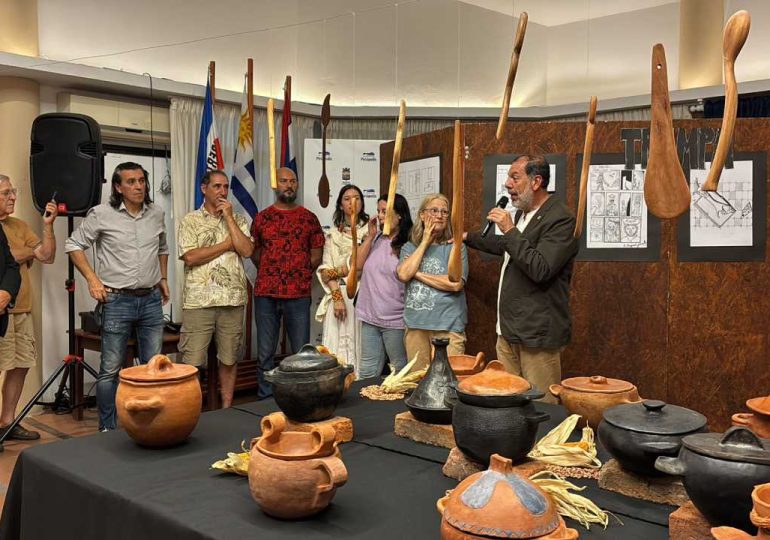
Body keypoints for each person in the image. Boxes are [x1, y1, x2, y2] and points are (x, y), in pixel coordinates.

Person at [464, 155, 578, 403]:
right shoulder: (523, 214)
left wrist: (510, 230)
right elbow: (507, 246)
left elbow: (541, 267)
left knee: (541, 408)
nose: (507, 184)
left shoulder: (560, 218)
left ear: (536, 182)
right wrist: (467, 237)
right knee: (508, 403)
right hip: (508, 332)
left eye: (515, 177)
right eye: (508, 177)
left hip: (536, 337)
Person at [65, 162, 170, 431]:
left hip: (150, 301)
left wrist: (163, 278)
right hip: (116, 301)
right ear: (118, 187)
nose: (138, 186)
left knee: (153, 367)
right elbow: (73, 244)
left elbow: (162, 247)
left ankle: (149, 425)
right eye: (131, 182)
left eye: (141, 181)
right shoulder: (102, 214)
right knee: (110, 370)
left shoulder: (156, 213)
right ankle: (107, 429)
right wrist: (92, 279)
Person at [178, 170, 254, 408]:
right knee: (192, 361)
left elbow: (247, 250)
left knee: (229, 359)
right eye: (217, 186)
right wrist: (225, 244)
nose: (222, 191)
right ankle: (189, 409)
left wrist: (229, 219)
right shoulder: (190, 220)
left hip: (232, 300)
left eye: (225, 186)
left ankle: (227, 408)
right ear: (204, 188)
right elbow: (190, 257)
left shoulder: (239, 220)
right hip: (199, 301)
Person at [250, 167, 324, 398]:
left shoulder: (309, 218)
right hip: (266, 294)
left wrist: (297, 271)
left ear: (298, 185)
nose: (289, 185)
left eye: (293, 181)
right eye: (284, 181)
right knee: (265, 354)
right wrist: (272, 270)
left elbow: (316, 255)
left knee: (302, 354)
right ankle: (265, 401)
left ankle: (298, 398)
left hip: (298, 295)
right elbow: (255, 252)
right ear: (276, 185)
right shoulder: (262, 218)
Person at [396, 193, 467, 371]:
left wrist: (417, 274)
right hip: (416, 326)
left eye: (444, 212)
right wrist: (426, 240)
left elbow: (455, 283)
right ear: (422, 215)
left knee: (446, 385)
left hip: (448, 326)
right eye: (434, 210)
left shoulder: (455, 246)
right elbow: (404, 274)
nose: (440, 215)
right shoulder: (409, 247)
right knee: (417, 382)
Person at [355, 193, 413, 379]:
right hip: (370, 317)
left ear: (400, 215)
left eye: (385, 212)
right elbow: (356, 266)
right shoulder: (377, 238)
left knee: (400, 372)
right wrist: (370, 237)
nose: (379, 216)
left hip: (395, 320)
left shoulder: (409, 243)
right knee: (366, 373)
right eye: (378, 211)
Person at [315, 185, 369, 376]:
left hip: (364, 296)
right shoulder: (332, 235)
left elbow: (363, 268)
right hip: (338, 296)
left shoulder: (370, 233)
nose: (352, 202)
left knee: (362, 348)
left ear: (362, 203)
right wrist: (337, 297)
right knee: (336, 348)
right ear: (340, 204)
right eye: (347, 198)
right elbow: (324, 271)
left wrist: (340, 270)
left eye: (357, 198)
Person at [0, 177, 30, 448]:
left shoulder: (9, 227)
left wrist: (7, 292)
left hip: (7, 308)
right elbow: (18, 255)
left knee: (19, 364)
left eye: (13, 191)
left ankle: (6, 424)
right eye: (6, 192)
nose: (12, 196)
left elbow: (10, 264)